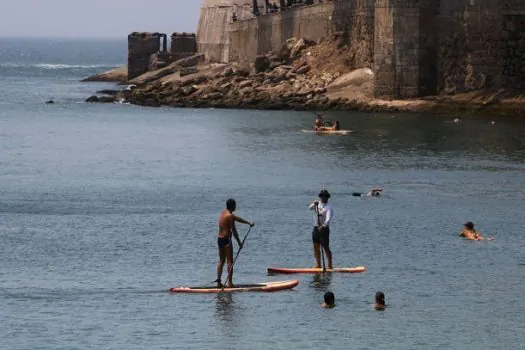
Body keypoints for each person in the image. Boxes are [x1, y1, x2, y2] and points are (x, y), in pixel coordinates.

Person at [216, 198, 255, 288]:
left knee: (221, 261)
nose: (236, 207)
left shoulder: (224, 213)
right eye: (235, 205)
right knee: (230, 261)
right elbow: (234, 231)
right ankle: (230, 283)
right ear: (232, 206)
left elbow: (236, 218)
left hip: (219, 239)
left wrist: (248, 222)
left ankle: (218, 282)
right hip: (226, 240)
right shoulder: (230, 216)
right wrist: (239, 243)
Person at [309, 189, 333, 269]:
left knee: (326, 247)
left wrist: (323, 226)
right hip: (316, 228)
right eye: (322, 196)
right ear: (320, 196)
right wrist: (314, 204)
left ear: (328, 197)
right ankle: (318, 265)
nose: (323, 197)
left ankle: (329, 265)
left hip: (324, 229)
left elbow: (328, 218)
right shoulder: (317, 204)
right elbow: (310, 208)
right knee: (316, 247)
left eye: (325, 196)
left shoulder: (329, 207)